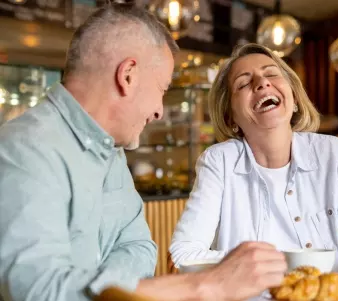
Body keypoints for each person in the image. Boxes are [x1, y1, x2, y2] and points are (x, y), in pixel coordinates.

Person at [0, 5, 287, 301]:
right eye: (162, 89)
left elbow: (140, 247)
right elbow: (36, 291)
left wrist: (96, 287)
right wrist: (205, 286)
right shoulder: (23, 148)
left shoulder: (111, 152)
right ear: (128, 75)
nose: (160, 111)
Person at [169, 43, 338, 292]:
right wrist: (254, 266)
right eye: (244, 83)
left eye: (272, 73)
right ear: (230, 118)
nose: (262, 83)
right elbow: (184, 253)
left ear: (295, 98)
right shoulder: (218, 162)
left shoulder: (334, 154)